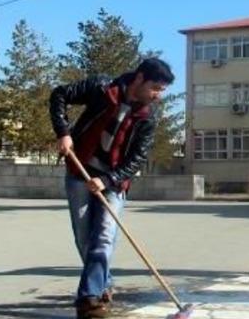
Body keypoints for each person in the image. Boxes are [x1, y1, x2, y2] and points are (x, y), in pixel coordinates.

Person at [49, 58, 174, 319]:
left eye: (161, 90)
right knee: (85, 239)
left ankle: (88, 300)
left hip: (114, 181)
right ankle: (103, 284)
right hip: (79, 170)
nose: (157, 95)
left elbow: (136, 159)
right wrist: (63, 132)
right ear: (139, 78)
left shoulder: (147, 117)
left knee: (104, 236)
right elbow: (59, 94)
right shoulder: (101, 88)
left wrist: (107, 181)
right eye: (155, 88)